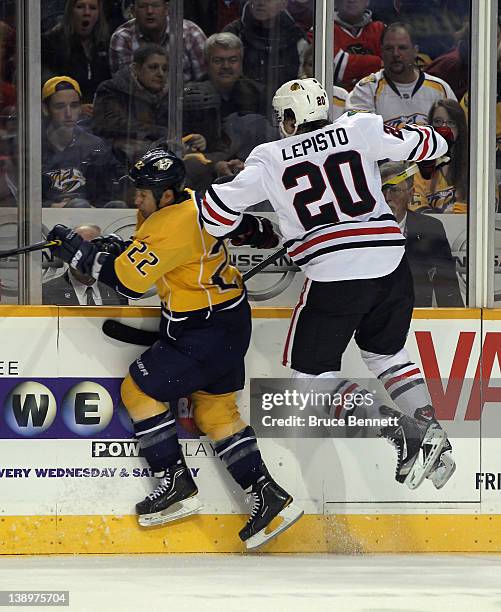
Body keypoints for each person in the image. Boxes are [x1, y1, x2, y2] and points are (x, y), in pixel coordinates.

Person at [201, 78, 456, 490]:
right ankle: (434, 437)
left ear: (287, 118)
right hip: (390, 262)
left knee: (309, 380)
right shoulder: (359, 128)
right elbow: (432, 145)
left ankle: (403, 431)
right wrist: (436, 136)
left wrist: (249, 226)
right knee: (386, 354)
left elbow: (215, 214)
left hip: (335, 273)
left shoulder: (269, 156)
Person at [46, 147, 303, 549]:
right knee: (216, 412)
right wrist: (113, 246)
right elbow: (168, 247)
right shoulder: (192, 205)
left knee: (139, 389)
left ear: (166, 194)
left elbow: (128, 282)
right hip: (228, 320)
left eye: (144, 192)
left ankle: (176, 484)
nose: (136, 198)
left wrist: (75, 250)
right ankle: (268, 495)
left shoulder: (171, 222)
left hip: (203, 329)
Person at [93, 44, 216, 189]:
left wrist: (193, 139)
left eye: (164, 69)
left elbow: (179, 131)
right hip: (118, 162)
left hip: (163, 156)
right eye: (153, 67)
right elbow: (111, 124)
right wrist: (161, 134)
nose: (160, 73)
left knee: (200, 166)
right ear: (135, 68)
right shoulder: (112, 89)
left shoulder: (173, 94)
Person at [380, 161, 463, 307]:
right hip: (375, 319)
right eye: (382, 190)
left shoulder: (430, 228)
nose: (387, 197)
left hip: (418, 316)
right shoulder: (362, 228)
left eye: (394, 190)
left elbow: (447, 287)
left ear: (411, 194)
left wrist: (455, 324)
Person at [346, 22, 456, 128]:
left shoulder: (440, 89)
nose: (396, 54)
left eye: (402, 48)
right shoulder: (366, 89)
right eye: (389, 48)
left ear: (415, 51)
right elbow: (359, 137)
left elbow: (455, 134)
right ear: (381, 52)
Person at [42, 76, 123, 208]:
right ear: (45, 109)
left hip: (88, 216)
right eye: (60, 106)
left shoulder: (95, 146)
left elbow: (108, 193)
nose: (68, 114)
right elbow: (18, 196)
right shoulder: (32, 145)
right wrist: (48, 206)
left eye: (74, 106)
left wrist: (93, 207)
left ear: (80, 108)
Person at [223, 0, 309, 104]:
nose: (260, 2)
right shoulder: (234, 34)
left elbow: (304, 82)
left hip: (288, 106)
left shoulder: (296, 38)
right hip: (242, 107)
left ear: (283, 4)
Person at [42, 0, 112, 117]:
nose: (87, 13)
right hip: (64, 119)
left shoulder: (105, 43)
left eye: (93, 8)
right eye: (80, 7)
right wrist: (76, 107)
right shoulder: (51, 43)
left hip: (101, 118)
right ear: (70, 11)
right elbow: (48, 89)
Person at [109, 0, 207, 83]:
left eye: (156, 5)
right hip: (140, 102)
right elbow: (126, 87)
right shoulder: (122, 38)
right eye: (142, 6)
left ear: (167, 9)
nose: (149, 11)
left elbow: (204, 81)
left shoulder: (190, 33)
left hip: (186, 98)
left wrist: (187, 92)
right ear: (133, 11)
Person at [43, 224, 129, 305]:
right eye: (78, 249)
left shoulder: (117, 290)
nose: (84, 256)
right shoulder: (46, 292)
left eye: (91, 249)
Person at [307, 0, 384, 91]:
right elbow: (331, 69)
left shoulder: (381, 29)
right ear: (335, 3)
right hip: (333, 99)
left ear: (367, 1)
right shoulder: (321, 29)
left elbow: (393, 68)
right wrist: (377, 62)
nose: (351, 1)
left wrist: (349, 64)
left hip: (377, 97)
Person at [412, 99, 468, 214]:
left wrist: (457, 212)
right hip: (431, 230)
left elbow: (487, 207)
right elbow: (416, 206)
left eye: (451, 123)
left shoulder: (477, 164)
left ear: (460, 128)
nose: (444, 128)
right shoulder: (419, 164)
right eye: (438, 121)